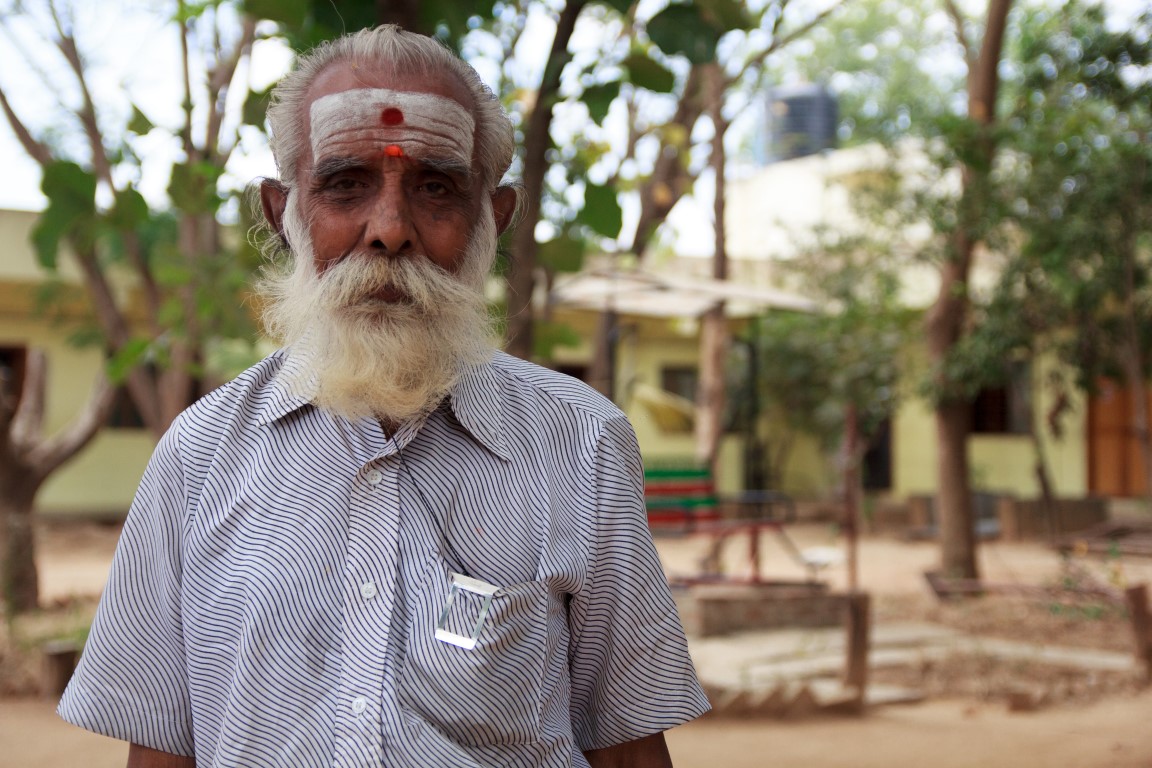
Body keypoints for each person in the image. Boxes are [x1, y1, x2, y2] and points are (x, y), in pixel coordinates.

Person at [58, 24, 710, 768]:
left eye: (436, 188)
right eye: (345, 184)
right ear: (283, 213)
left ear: (490, 220)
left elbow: (627, 750)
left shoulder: (580, 443)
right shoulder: (198, 455)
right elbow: (161, 754)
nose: (390, 230)